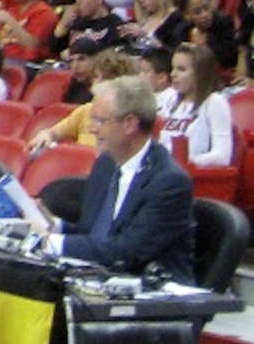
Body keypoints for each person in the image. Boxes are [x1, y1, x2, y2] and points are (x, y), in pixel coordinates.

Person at [47, 74, 195, 282]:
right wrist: (51, 225)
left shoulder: (169, 182)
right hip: (101, 280)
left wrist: (50, 242)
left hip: (153, 294)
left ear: (129, 124)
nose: (91, 129)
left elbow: (125, 252)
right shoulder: (105, 165)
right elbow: (95, 235)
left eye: (99, 120)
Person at [161, 43, 235, 167]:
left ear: (200, 73)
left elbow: (223, 156)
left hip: (193, 178)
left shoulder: (215, 103)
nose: (173, 74)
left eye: (181, 69)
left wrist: (189, 162)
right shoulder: (169, 100)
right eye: (172, 68)